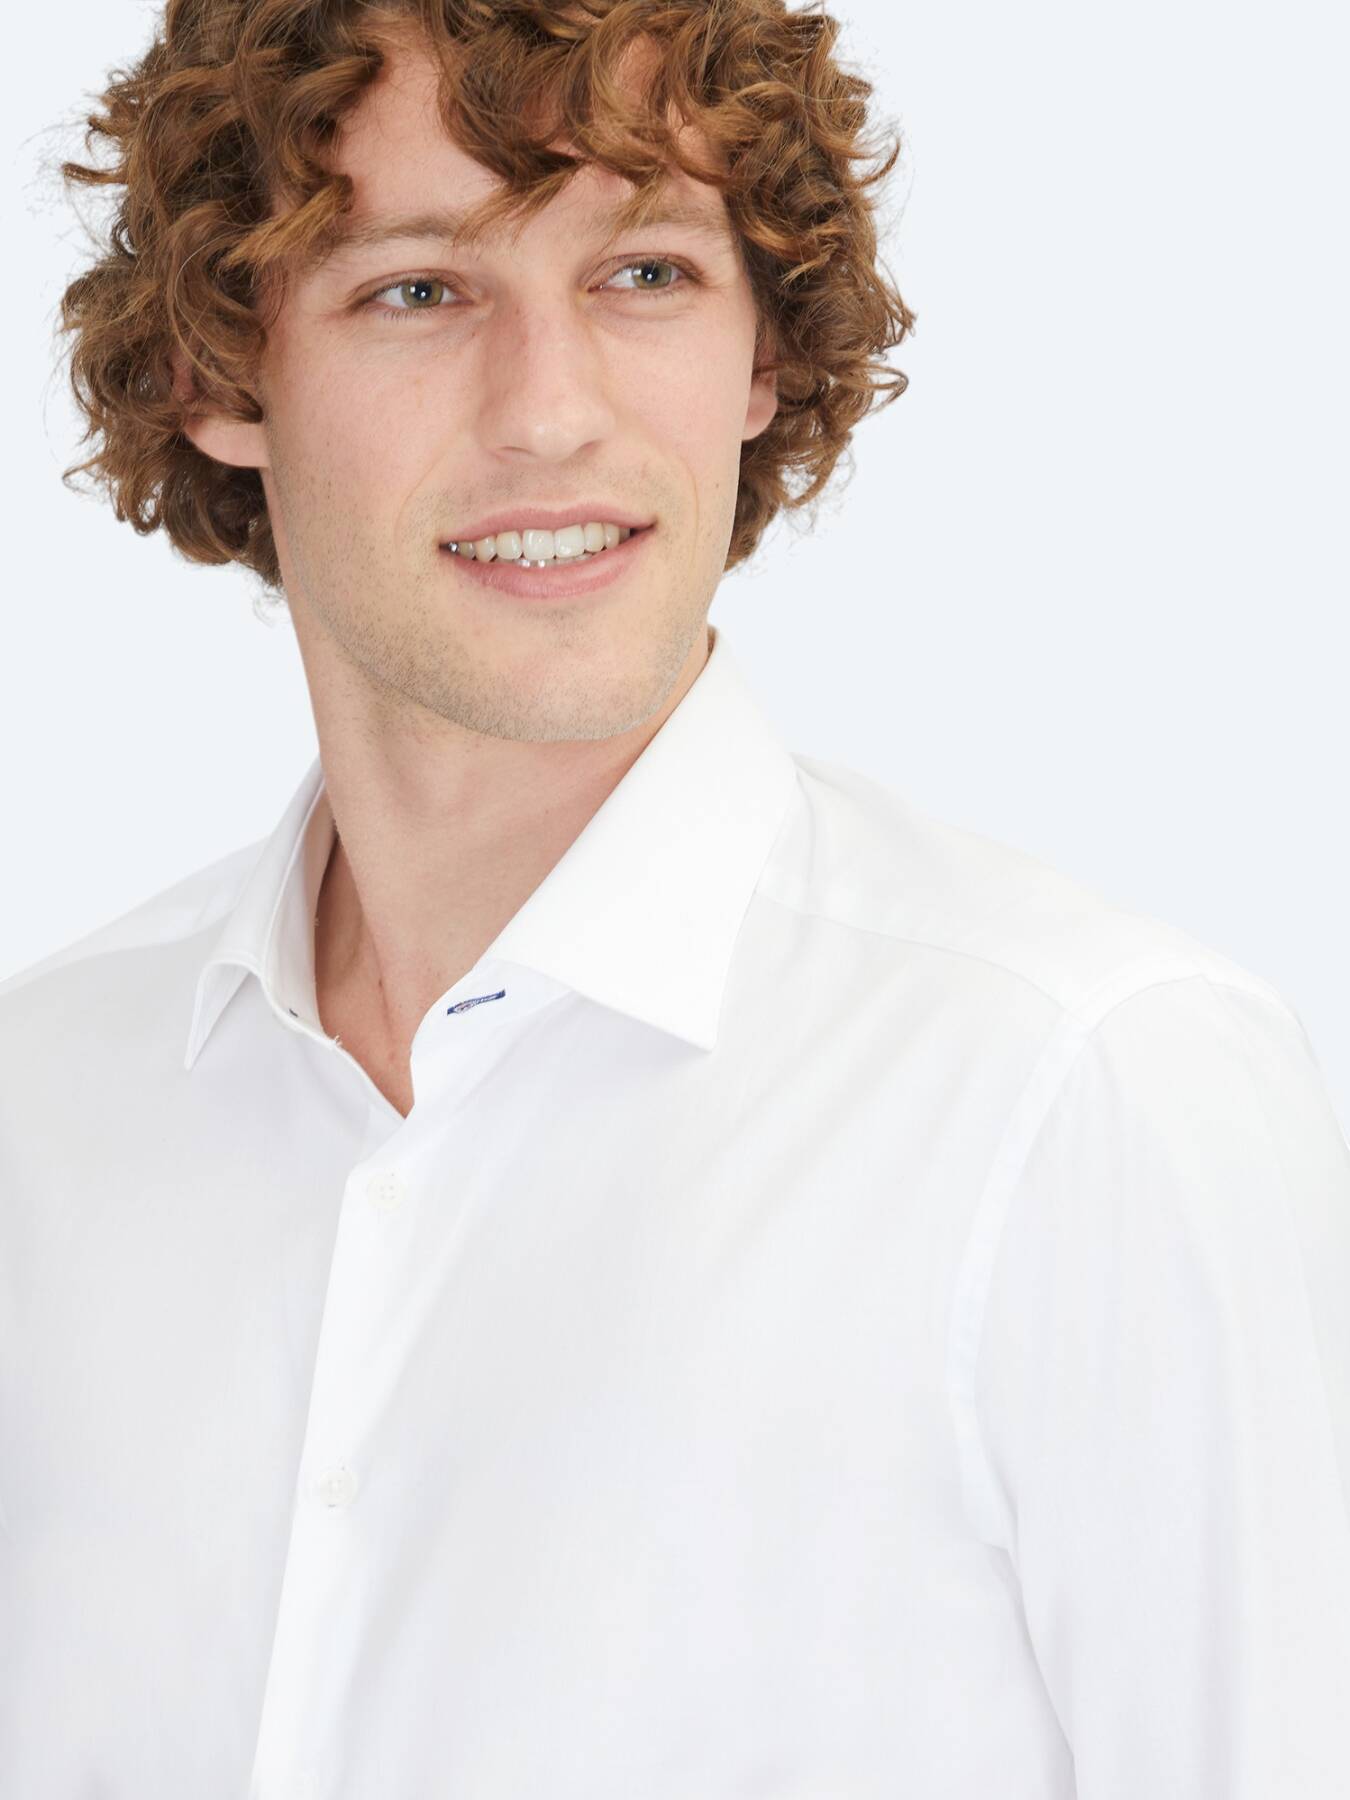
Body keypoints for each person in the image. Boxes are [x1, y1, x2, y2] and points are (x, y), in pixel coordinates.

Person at [3, 2, 1348, 1796]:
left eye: (643, 274)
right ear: (216, 376)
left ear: (762, 356)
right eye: (419, 290)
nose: (550, 412)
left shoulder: (1084, 1097)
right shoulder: (43, 1114)